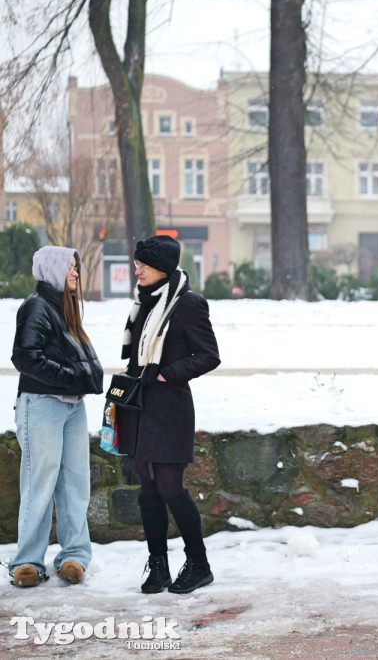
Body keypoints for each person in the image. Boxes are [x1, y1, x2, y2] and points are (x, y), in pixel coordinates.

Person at [116, 235, 220, 594]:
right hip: (140, 408)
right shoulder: (143, 304)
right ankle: (158, 566)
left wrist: (166, 373)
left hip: (170, 408)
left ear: (162, 266)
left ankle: (199, 563)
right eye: (137, 263)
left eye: (143, 264)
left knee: (170, 487)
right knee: (147, 490)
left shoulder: (188, 304)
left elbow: (209, 355)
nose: (137, 270)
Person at [9, 246, 104, 587]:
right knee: (40, 481)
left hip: (72, 407)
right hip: (42, 404)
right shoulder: (37, 306)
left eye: (77, 267)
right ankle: (28, 562)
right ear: (53, 270)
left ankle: (74, 556)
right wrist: (72, 377)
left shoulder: (65, 307)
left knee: (75, 481)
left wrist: (83, 381)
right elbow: (26, 357)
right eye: (70, 267)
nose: (76, 273)